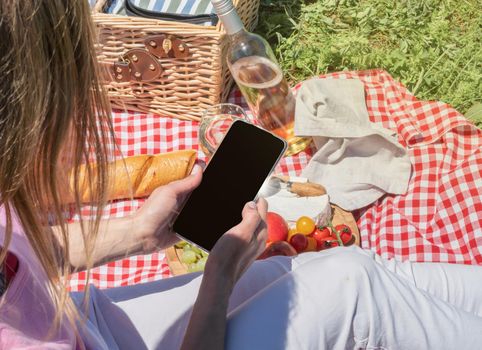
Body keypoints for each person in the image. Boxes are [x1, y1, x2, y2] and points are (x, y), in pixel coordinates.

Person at [1, 1, 481, 349]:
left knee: (333, 269)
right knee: (351, 288)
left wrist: (136, 233)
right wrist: (220, 278)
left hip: (80, 320)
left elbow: (12, 259)